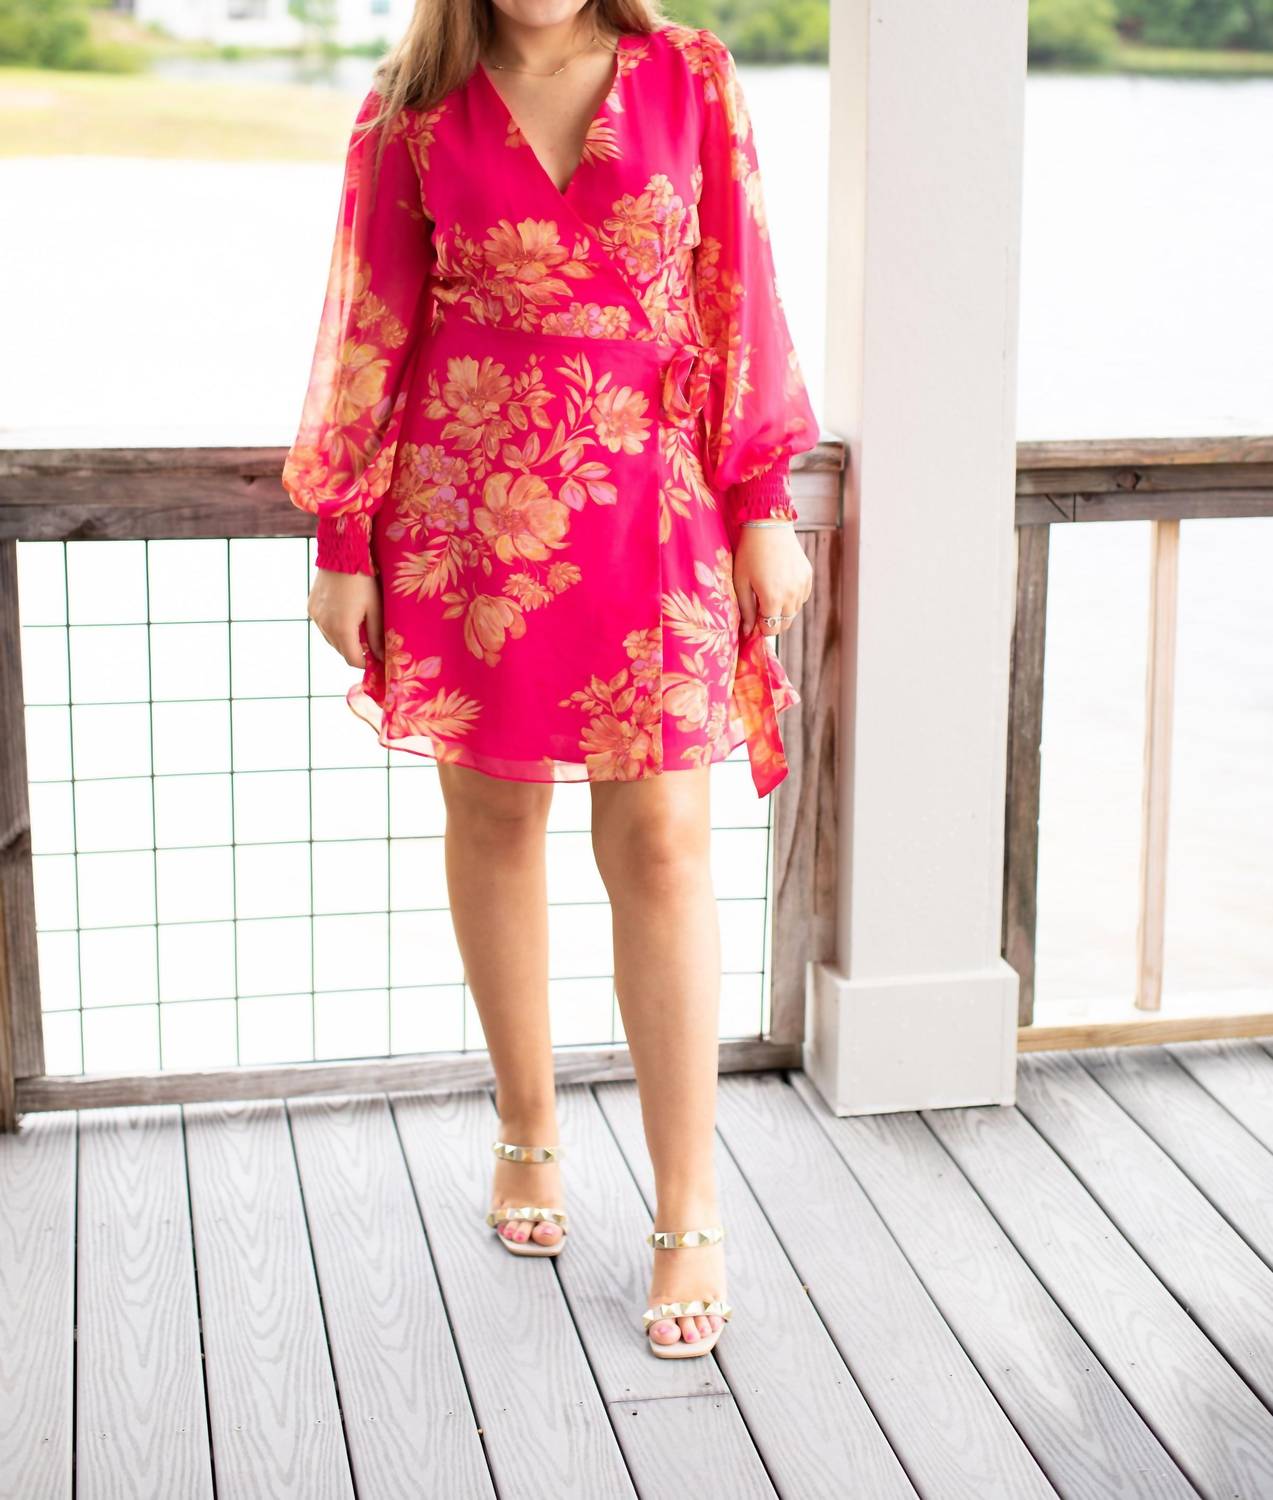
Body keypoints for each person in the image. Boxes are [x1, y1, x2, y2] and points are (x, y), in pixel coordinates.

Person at [282, 0, 818, 1359]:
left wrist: (764, 500)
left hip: (654, 502)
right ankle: (527, 1128)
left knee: (665, 842)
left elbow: (738, 293)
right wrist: (343, 542)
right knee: (493, 818)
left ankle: (688, 1205)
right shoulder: (411, 105)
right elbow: (370, 328)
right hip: (473, 511)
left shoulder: (688, 76)